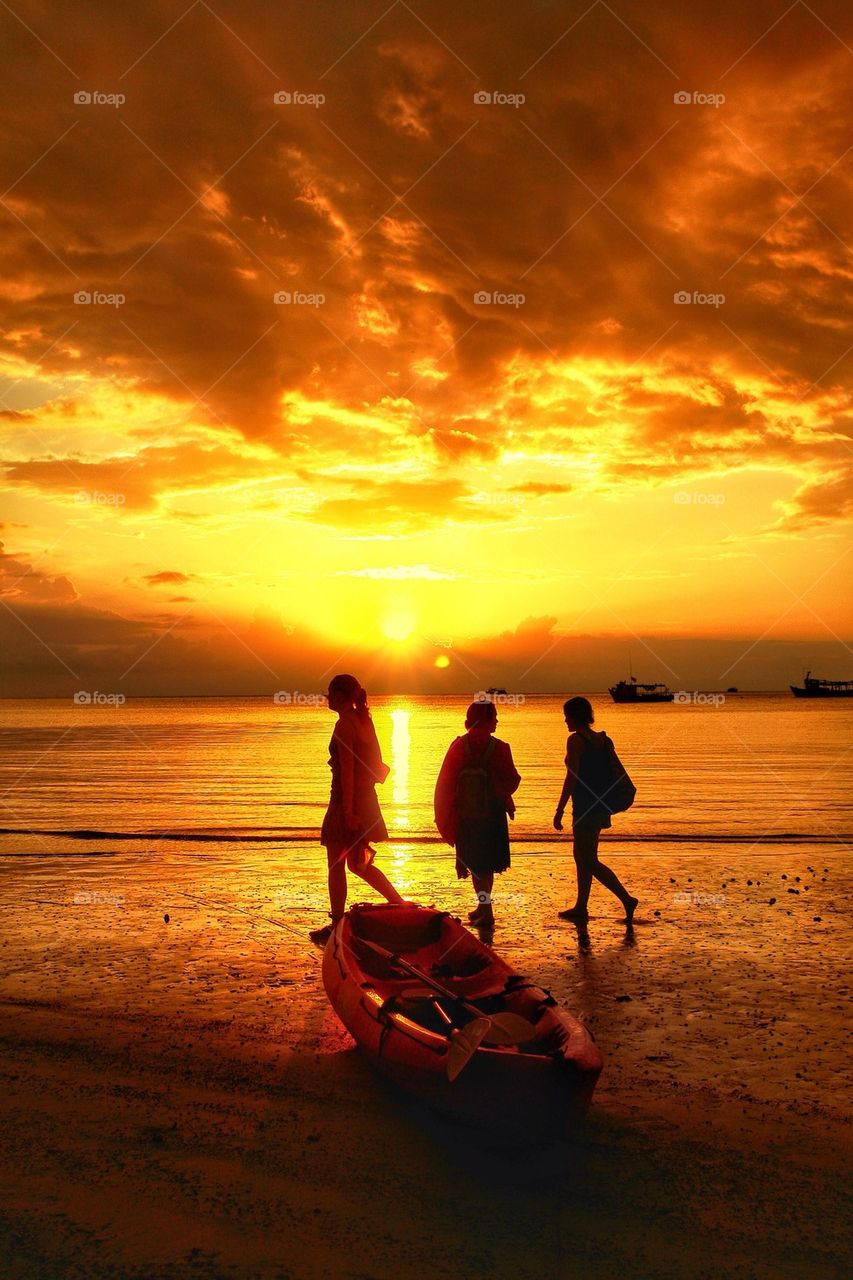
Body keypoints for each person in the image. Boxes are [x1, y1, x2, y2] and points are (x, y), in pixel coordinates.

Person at [310, 674, 403, 945]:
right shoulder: (364, 720)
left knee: (337, 864)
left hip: (345, 801)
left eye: (330, 692)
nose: (327, 697)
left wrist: (348, 811)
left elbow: (348, 771)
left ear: (340, 696)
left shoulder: (344, 725)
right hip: (366, 799)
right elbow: (377, 766)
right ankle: (399, 904)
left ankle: (337, 923)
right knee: (358, 865)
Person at [434, 700, 521, 929]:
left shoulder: (459, 747)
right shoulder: (501, 748)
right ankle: (484, 907)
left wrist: (444, 814)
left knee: (475, 864)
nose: (497, 721)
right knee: (486, 865)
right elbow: (512, 779)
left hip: (466, 815)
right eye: (495, 718)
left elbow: (445, 782)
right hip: (491, 815)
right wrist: (502, 794)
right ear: (487, 722)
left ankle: (487, 909)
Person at [554, 696, 638, 924]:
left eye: (567, 716)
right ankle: (581, 906)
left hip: (585, 807)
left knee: (589, 859)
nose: (564, 720)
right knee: (581, 856)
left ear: (574, 717)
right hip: (601, 805)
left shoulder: (576, 740)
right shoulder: (602, 740)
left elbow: (571, 777)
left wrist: (559, 809)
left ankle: (627, 899)